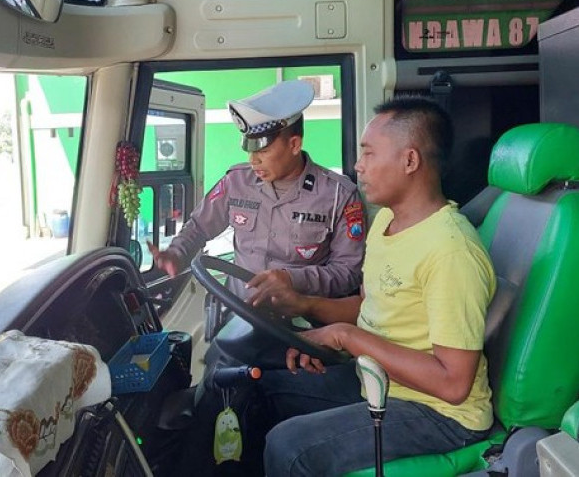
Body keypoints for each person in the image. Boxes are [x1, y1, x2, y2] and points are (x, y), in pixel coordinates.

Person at [257, 97, 496, 476]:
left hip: (441, 414)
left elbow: (454, 384)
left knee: (290, 447)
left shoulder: (451, 250)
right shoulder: (387, 220)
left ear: (410, 161)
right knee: (260, 389)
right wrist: (303, 305)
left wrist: (346, 337)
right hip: (377, 379)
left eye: (368, 153)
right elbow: (370, 306)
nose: (358, 165)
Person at [147, 79, 365, 305]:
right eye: (249, 149)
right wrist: (177, 253)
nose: (253, 160)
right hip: (236, 315)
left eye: (263, 150)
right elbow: (200, 227)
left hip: (299, 324)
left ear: (294, 145)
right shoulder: (236, 182)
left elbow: (348, 272)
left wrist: (293, 279)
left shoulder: (339, 195)